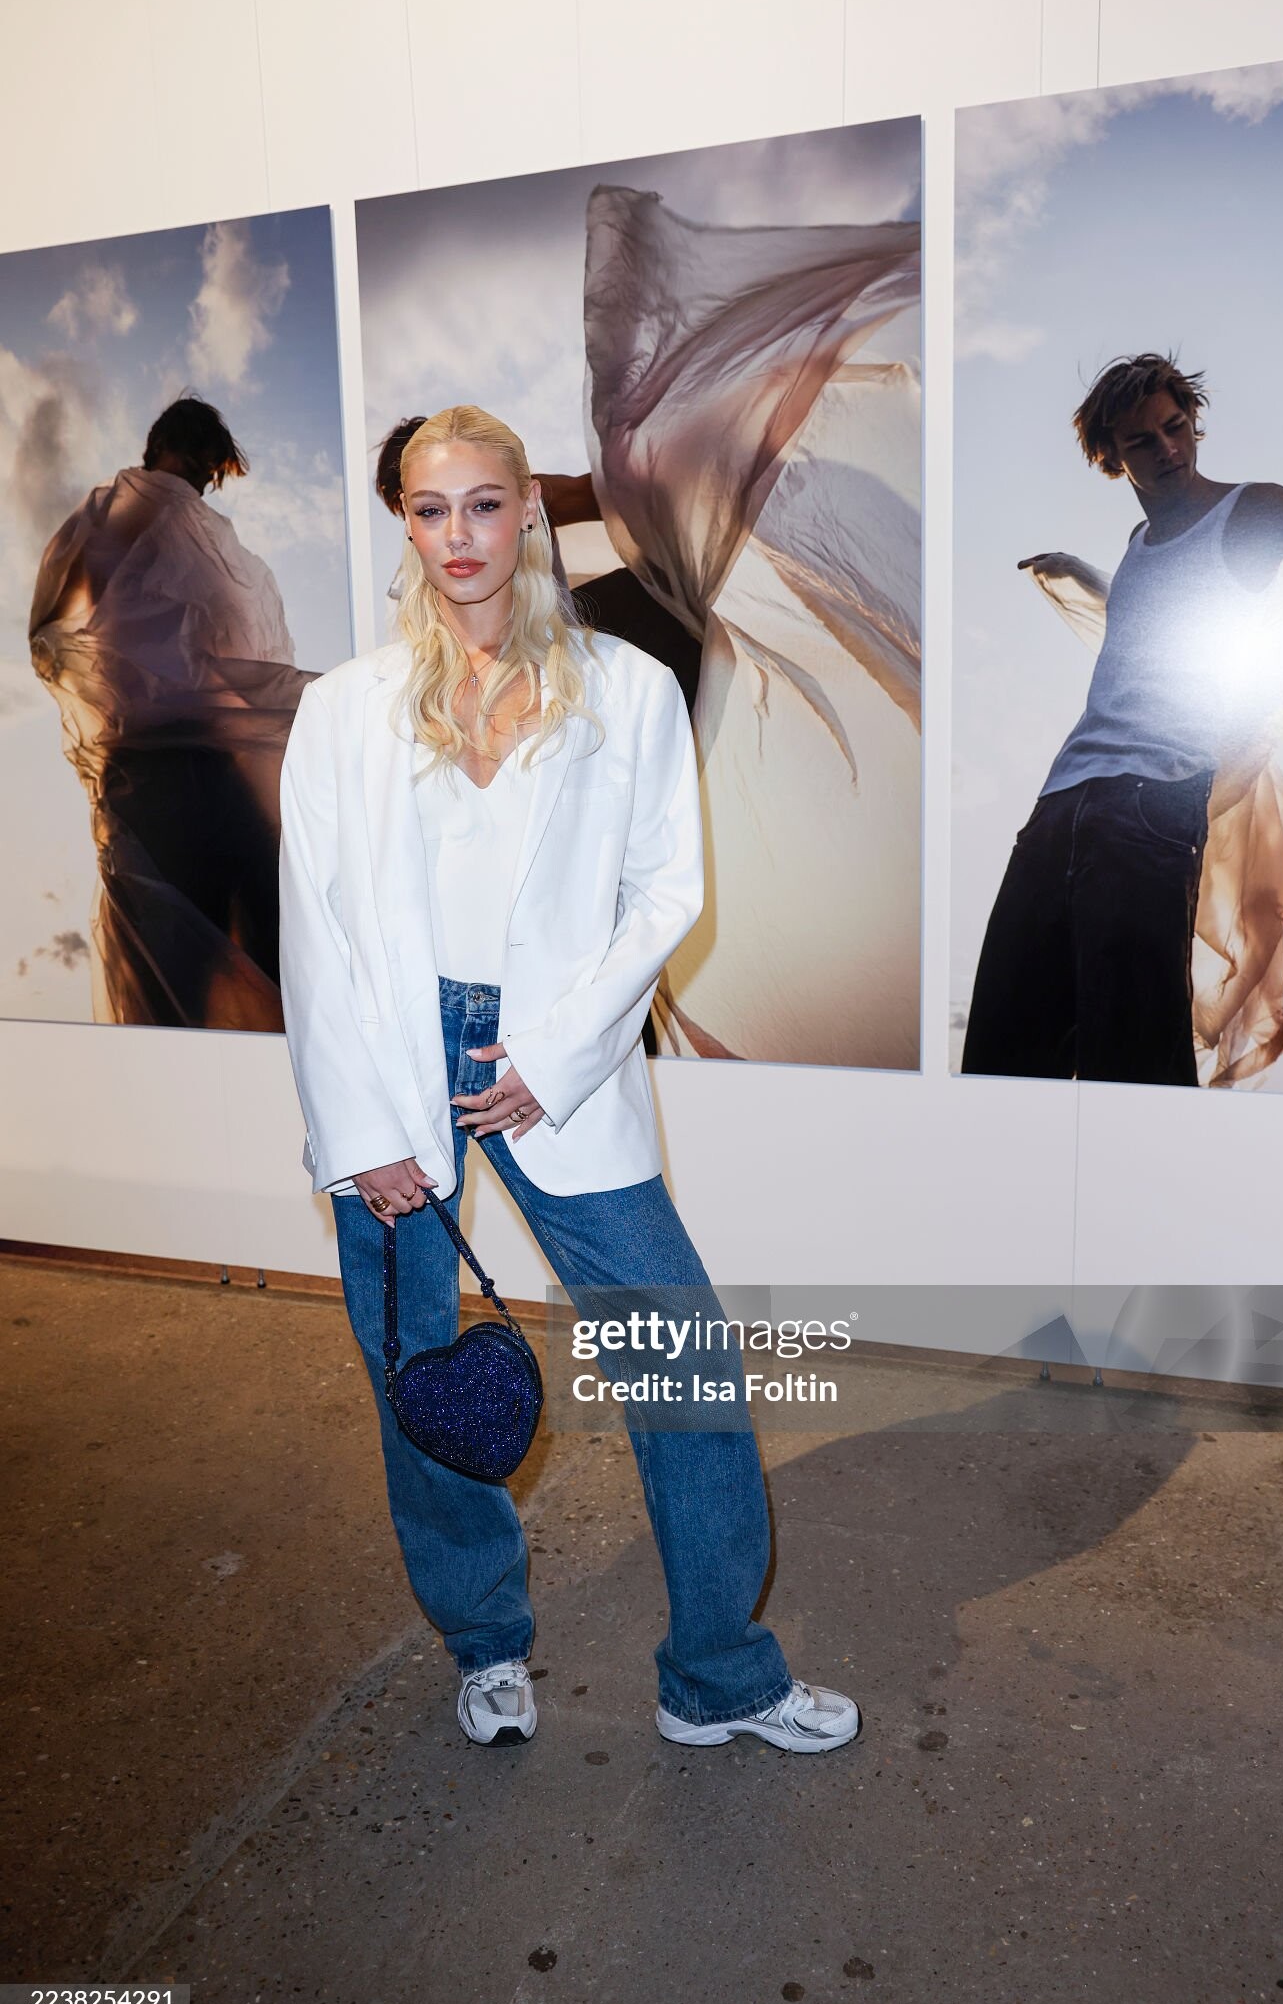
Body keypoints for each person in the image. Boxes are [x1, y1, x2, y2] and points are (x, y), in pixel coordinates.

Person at [279, 404, 859, 1755]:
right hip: (391, 1057)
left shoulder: (628, 689)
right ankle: (485, 1643)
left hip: (559, 1054)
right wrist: (361, 1125)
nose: (459, 536)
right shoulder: (343, 709)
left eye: (484, 504)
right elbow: (316, 925)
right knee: (421, 1379)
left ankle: (719, 1673)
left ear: (530, 510)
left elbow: (664, 897)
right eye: (430, 509)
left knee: (684, 1365)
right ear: (405, 524)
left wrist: (551, 1059)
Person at [962, 351, 1283, 1085]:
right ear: (1111, 457)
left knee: (1135, 1063)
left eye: (1176, 427)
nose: (1169, 449)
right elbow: (1154, 636)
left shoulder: (1254, 512)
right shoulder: (1137, 546)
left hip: (1151, 811)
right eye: (1142, 441)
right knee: (1002, 1054)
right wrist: (1084, 576)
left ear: (1193, 422)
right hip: (1058, 807)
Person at [28, 395, 308, 1028]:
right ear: (168, 449)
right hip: (152, 770)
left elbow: (237, 643)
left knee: (262, 928)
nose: (202, 486)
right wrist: (116, 683)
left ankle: (272, 1066)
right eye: (200, 467)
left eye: (209, 477)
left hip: (203, 761)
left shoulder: (191, 534)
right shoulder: (123, 516)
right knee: (179, 953)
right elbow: (55, 625)